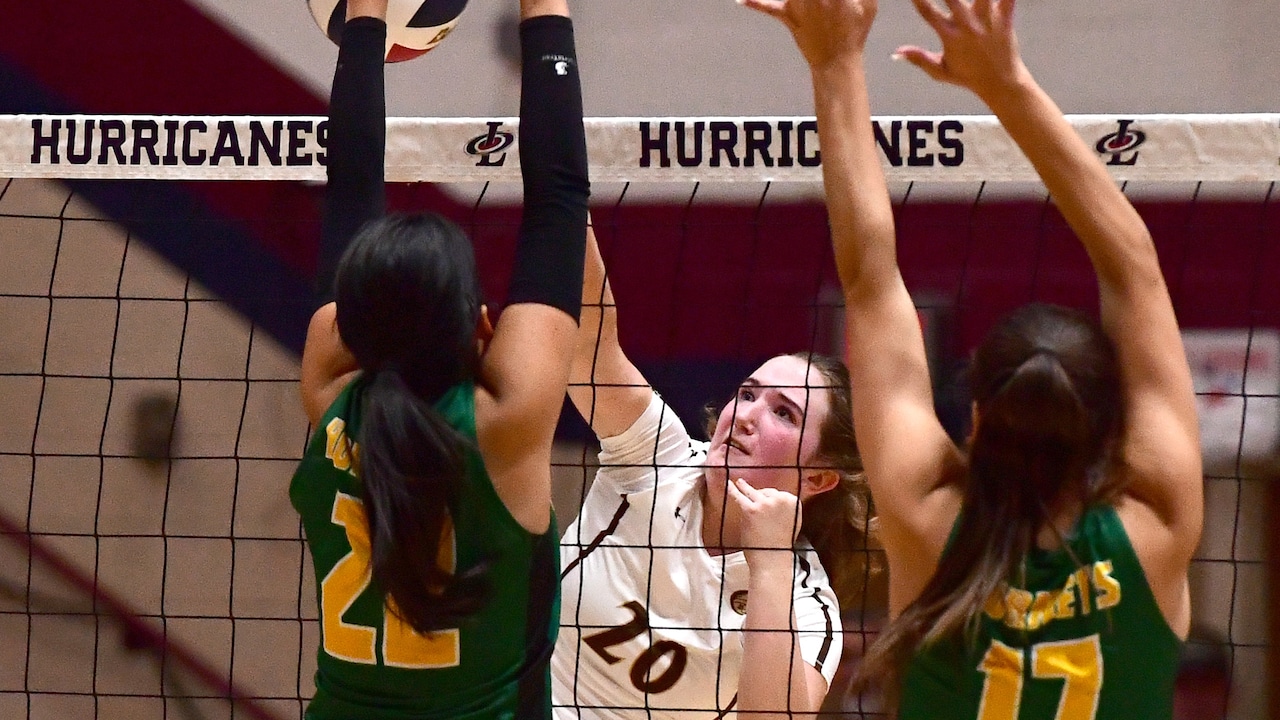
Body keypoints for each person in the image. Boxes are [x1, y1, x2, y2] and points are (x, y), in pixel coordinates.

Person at [744, 0, 1204, 716]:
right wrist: (1008, 84)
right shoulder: (1157, 525)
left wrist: (835, 63)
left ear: (979, 415)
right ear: (1106, 425)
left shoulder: (930, 519)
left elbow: (869, 280)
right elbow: (1136, 268)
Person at [289, 0, 589, 717]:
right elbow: (560, 197)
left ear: (349, 326)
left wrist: (363, 16)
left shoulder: (330, 398)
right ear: (482, 327)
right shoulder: (503, 424)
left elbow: (350, 191)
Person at [550, 224, 878, 718]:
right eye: (748, 394)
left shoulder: (807, 603)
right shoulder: (657, 459)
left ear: (818, 478)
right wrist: (561, 186)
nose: (746, 415)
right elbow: (588, 342)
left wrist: (770, 564)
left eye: (783, 413)